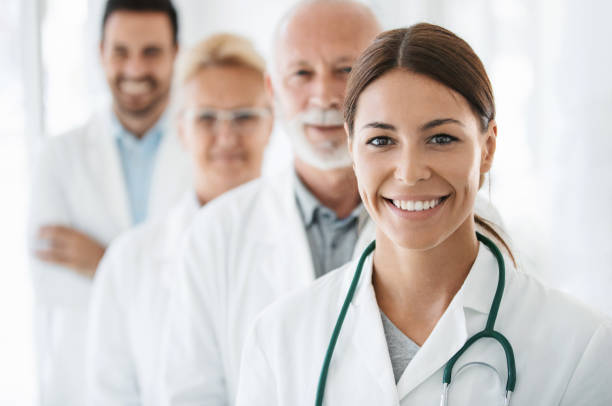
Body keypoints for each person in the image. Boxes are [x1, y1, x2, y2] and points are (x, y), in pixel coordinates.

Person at [235, 24, 612, 405]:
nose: (410, 171)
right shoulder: (279, 339)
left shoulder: (579, 347)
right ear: (352, 149)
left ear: (488, 147)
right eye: (381, 141)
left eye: (441, 138)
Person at [161, 1, 382, 404]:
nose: (324, 96)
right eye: (301, 73)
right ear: (272, 90)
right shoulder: (216, 233)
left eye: (346, 70)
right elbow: (192, 395)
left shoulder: (449, 225)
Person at [85, 33, 273, 405]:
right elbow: (111, 395)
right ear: (181, 129)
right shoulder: (128, 262)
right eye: (206, 118)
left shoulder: (306, 243)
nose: (226, 136)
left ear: (271, 124)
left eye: (244, 116)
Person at [27, 0, 189, 404]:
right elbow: (52, 283)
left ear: (175, 54)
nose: (135, 69)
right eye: (121, 52)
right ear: (101, 53)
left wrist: (100, 260)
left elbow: (205, 282)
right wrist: (155, 274)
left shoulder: (204, 152)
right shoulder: (58, 158)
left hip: (179, 376)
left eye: (151, 52)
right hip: (80, 380)